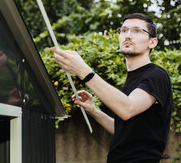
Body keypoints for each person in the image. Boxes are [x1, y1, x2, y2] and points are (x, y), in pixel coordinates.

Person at [51, 13, 173, 163]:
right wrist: (93, 110)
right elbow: (122, 129)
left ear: (152, 42)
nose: (128, 35)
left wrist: (84, 71)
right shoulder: (132, 80)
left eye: (137, 31)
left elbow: (127, 109)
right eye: (123, 30)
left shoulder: (157, 75)